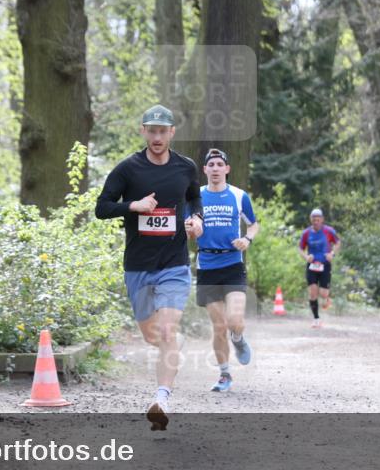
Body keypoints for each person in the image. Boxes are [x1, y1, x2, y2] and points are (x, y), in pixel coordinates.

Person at [95, 104, 203, 431]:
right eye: (151, 130)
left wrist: (196, 220)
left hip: (173, 264)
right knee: (153, 336)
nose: (157, 137)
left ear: (171, 133)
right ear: (143, 131)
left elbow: (194, 198)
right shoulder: (128, 169)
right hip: (138, 266)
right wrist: (133, 206)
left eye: (163, 131)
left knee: (168, 331)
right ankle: (173, 346)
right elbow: (101, 208)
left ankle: (162, 398)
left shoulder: (186, 167)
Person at [194, 148, 260, 392]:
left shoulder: (239, 195)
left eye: (219, 164)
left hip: (233, 264)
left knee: (235, 321)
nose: (215, 168)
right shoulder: (196, 196)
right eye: (210, 164)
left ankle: (239, 339)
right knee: (219, 325)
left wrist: (247, 240)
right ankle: (224, 375)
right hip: (207, 266)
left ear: (227, 169)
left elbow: (253, 225)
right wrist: (192, 229)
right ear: (204, 170)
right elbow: (188, 224)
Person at [298, 208, 341, 328]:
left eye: (318, 219)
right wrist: (306, 257)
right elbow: (300, 248)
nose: (316, 222)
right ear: (310, 220)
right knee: (312, 293)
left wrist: (332, 254)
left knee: (323, 293)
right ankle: (316, 319)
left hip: (325, 265)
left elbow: (337, 243)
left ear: (322, 220)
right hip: (312, 265)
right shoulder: (306, 233)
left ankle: (327, 298)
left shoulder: (329, 231)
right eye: (313, 220)